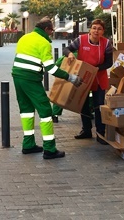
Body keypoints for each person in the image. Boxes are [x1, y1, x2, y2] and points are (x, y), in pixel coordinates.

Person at [12, 17, 82, 159]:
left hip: (17, 76)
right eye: (51, 30)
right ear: (46, 29)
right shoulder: (44, 43)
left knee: (26, 110)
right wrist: (71, 78)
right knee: (45, 111)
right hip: (30, 79)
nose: (52, 33)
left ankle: (28, 144)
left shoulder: (24, 38)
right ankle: (50, 149)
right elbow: (51, 68)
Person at [63, 19, 113, 144]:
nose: (96, 31)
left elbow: (109, 62)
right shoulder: (81, 40)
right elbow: (66, 49)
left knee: (99, 105)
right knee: (82, 104)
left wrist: (96, 69)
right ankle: (86, 130)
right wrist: (69, 54)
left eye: (99, 29)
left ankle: (100, 133)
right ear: (90, 29)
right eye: (94, 28)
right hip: (83, 77)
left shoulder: (106, 44)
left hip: (98, 77)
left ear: (103, 32)